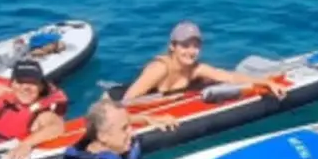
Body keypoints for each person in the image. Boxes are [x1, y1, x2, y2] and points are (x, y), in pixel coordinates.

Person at [120, 20, 292, 104]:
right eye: (185, 45)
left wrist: (266, 82)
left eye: (196, 46)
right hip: (123, 98)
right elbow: (127, 100)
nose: (191, 51)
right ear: (172, 46)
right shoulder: (160, 68)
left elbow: (229, 77)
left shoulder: (196, 69)